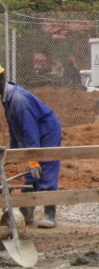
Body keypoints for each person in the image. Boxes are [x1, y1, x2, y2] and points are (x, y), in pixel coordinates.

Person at [0, 65, 62, 228]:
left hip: (46, 132)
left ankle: (50, 214)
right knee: (30, 172)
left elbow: (30, 130)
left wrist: (32, 158)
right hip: (33, 134)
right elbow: (15, 129)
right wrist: (14, 154)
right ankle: (26, 212)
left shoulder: (19, 100)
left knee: (45, 169)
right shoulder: (7, 97)